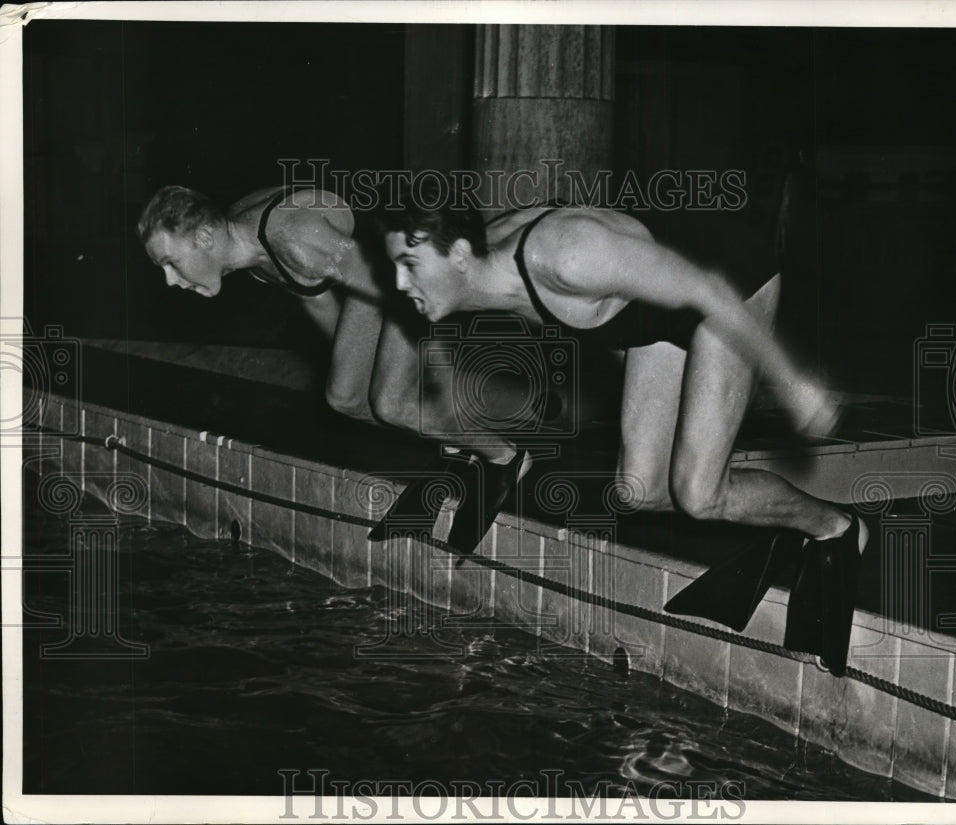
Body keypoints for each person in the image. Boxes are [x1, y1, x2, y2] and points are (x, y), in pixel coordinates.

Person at [379, 197, 869, 676]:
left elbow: (710, 291)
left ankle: (839, 528)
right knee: (640, 490)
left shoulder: (566, 256)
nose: (399, 283)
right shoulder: (492, 269)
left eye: (410, 266)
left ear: (460, 255)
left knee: (700, 494)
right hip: (658, 310)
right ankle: (785, 519)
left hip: (725, 281)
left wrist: (793, 385)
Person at [135, 184, 541, 551]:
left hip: (413, 276)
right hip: (370, 279)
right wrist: (375, 377)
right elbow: (314, 294)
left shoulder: (290, 238)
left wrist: (429, 385)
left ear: (204, 237)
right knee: (345, 398)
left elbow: (405, 287)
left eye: (171, 262)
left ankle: (505, 455)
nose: (171, 280)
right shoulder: (245, 244)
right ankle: (457, 441)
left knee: (391, 404)